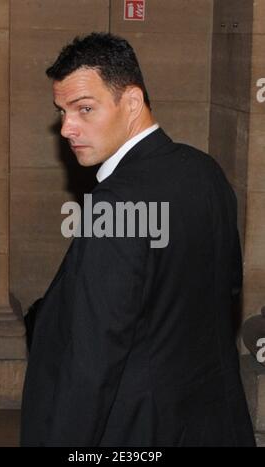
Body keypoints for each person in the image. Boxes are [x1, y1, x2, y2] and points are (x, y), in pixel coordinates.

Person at [20, 32, 256, 447]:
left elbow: (93, 360)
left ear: (131, 102)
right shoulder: (204, 170)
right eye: (62, 112)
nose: (67, 128)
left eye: (84, 109)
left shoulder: (115, 203)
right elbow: (226, 289)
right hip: (210, 420)